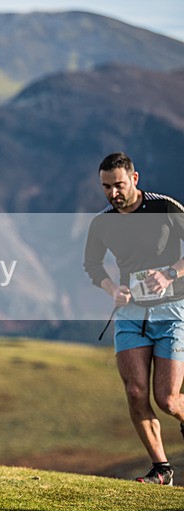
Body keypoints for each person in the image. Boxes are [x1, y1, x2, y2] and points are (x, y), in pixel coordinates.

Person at [84, 152, 184, 485]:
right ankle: (162, 469)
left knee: (167, 398)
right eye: (106, 187)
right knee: (136, 392)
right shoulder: (102, 223)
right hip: (129, 314)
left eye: (119, 185)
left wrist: (171, 273)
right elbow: (93, 266)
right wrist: (112, 287)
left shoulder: (165, 208)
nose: (113, 193)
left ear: (135, 179)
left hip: (172, 311)